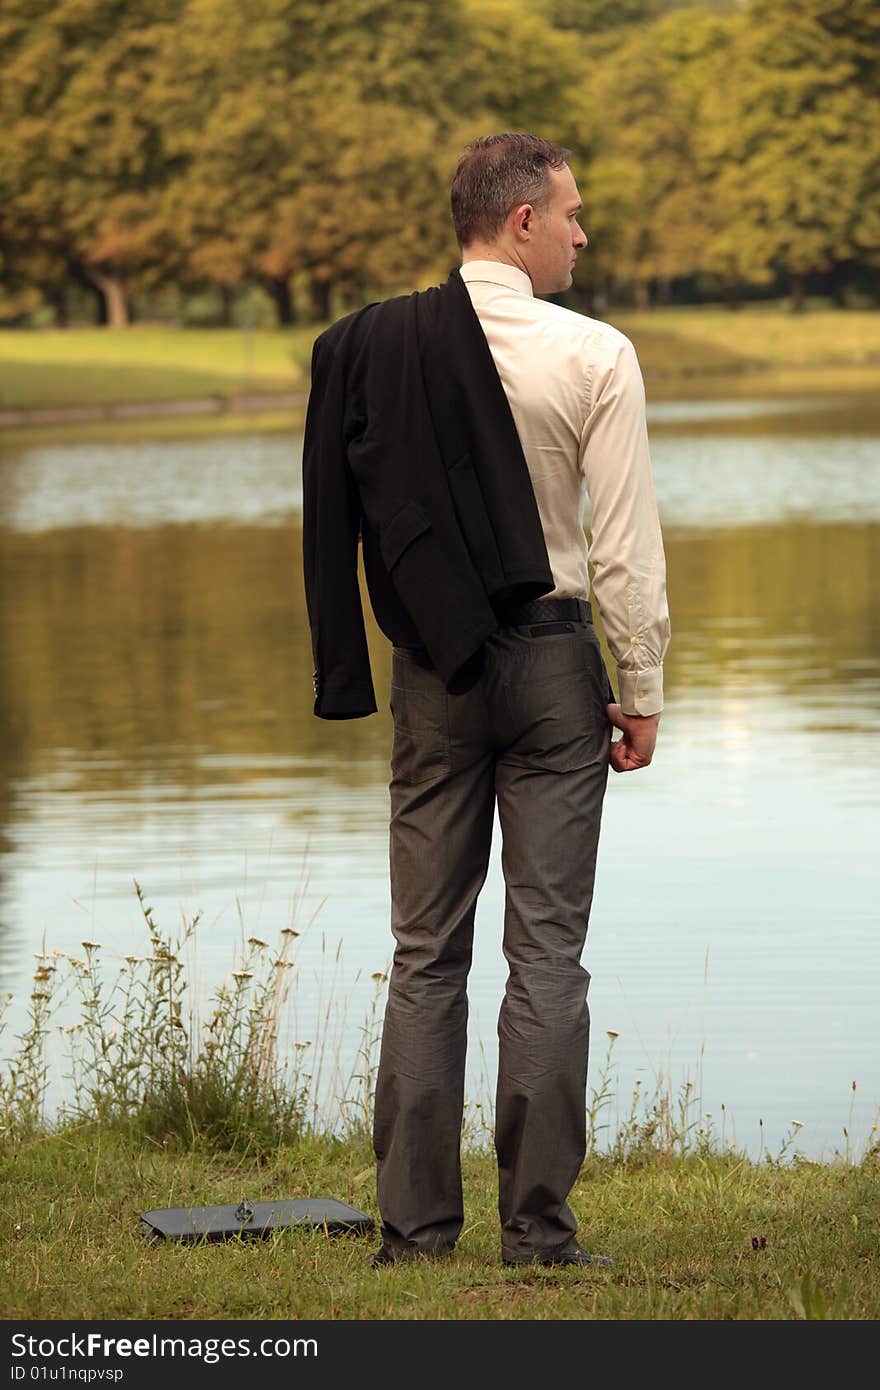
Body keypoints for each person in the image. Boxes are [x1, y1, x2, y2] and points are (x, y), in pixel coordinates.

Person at [304, 133, 670, 1269]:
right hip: (557, 668)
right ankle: (538, 1235)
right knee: (548, 955)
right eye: (570, 213)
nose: (580, 232)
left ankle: (413, 1233)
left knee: (425, 949)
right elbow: (623, 551)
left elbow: (338, 526)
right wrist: (641, 684)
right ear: (519, 221)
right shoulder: (594, 354)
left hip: (434, 672)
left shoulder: (367, 346)